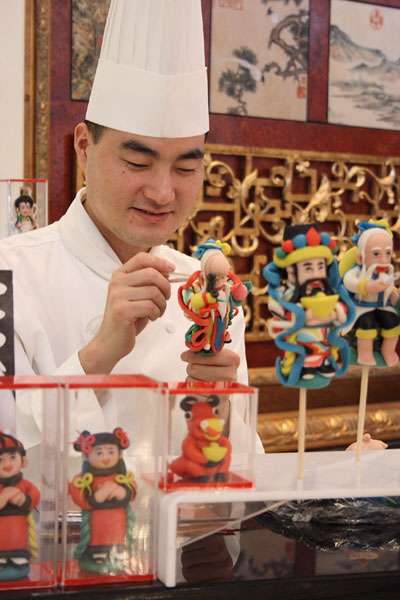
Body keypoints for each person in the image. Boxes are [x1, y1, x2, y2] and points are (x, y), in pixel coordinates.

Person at [0, 0, 253, 450]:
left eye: (185, 168)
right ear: (83, 147)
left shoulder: (207, 289)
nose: (161, 192)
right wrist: (100, 353)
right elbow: (8, 459)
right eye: (138, 161)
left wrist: (220, 406)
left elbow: (236, 487)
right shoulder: (11, 275)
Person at [263, 223, 355, 387]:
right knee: (306, 351)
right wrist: (303, 317)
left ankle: (324, 362)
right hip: (300, 342)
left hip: (324, 339)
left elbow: (345, 307)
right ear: (292, 271)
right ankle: (306, 367)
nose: (316, 274)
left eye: (320, 267)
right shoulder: (285, 295)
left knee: (323, 347)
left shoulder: (328, 291)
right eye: (308, 268)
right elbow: (276, 311)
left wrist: (334, 314)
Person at [70, 428, 137, 574]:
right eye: (99, 452)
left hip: (118, 523)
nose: (105, 457)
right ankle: (96, 555)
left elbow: (132, 492)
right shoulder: (81, 479)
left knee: (117, 539)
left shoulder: (123, 477)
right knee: (97, 543)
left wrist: (121, 492)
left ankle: (118, 553)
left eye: (111, 452)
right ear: (86, 456)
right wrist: (100, 494)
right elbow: (78, 496)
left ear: (120, 454)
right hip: (96, 523)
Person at [340, 219, 400, 366]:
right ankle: (364, 353)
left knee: (392, 321)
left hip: (381, 306)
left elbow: (391, 294)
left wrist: (394, 296)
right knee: (367, 322)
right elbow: (349, 282)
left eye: (387, 254)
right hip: (361, 307)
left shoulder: (386, 274)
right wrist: (368, 286)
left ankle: (388, 349)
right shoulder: (356, 272)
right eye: (376, 254)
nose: (383, 260)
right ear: (361, 257)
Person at [178, 239, 251, 354]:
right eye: (216, 279)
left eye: (223, 277)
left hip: (222, 319)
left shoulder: (226, 287)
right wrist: (207, 298)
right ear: (203, 278)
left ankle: (221, 338)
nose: (221, 282)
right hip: (208, 321)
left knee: (221, 329)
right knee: (209, 332)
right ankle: (206, 342)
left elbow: (236, 296)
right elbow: (193, 303)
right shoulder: (198, 288)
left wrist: (240, 290)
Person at [0, 431, 39, 581]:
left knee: (18, 545)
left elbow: (35, 496)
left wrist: (24, 500)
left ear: (23, 461)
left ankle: (18, 557)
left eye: (12, 457)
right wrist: (5, 496)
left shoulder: (25, 485)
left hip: (19, 530)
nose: (7, 464)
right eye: (0, 459)